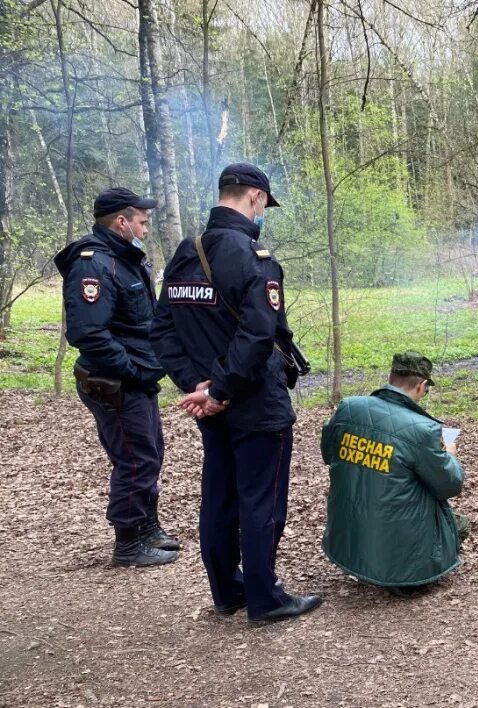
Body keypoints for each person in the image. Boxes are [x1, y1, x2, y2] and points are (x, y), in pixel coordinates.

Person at [150, 163, 320, 623]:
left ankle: (228, 591)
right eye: (266, 203)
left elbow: (161, 329)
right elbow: (259, 334)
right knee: (260, 501)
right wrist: (219, 389)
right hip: (255, 403)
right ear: (256, 197)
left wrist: (195, 385)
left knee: (220, 497)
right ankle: (265, 599)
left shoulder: (187, 252)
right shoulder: (254, 257)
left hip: (212, 407)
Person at [55, 188, 179, 568]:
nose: (145, 226)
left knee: (150, 451)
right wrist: (132, 369)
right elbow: (87, 333)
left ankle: (147, 526)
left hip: (136, 379)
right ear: (121, 221)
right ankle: (128, 543)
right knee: (136, 458)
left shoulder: (126, 259)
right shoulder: (95, 264)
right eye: (141, 220)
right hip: (115, 382)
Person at [321, 352, 468, 596]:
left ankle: (369, 561)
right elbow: (450, 485)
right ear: (421, 386)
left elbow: (328, 453)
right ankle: (408, 573)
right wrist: (450, 453)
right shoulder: (422, 430)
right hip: (402, 563)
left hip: (347, 542)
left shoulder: (348, 408)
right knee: (460, 524)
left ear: (390, 377)